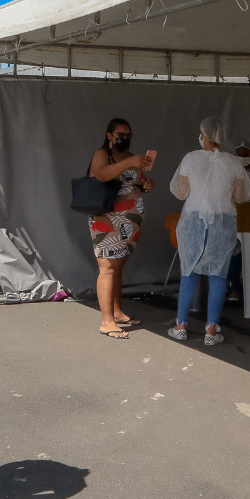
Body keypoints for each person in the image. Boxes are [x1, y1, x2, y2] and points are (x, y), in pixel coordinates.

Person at [167, 117, 250, 344]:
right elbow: (241, 197)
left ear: (204, 135)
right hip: (223, 222)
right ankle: (211, 330)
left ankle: (180, 325)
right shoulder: (233, 163)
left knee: (189, 272)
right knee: (218, 275)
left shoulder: (190, 158)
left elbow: (180, 192)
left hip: (193, 221)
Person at [87, 117, 154, 339]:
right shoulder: (102, 154)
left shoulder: (130, 156)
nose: (124, 139)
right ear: (110, 135)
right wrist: (129, 162)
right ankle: (107, 322)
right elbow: (101, 175)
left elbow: (136, 183)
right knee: (107, 267)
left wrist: (147, 184)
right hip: (107, 219)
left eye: (128, 135)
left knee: (117, 267)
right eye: (120, 135)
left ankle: (116, 312)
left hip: (129, 221)